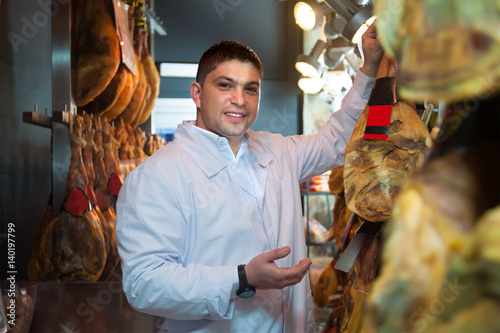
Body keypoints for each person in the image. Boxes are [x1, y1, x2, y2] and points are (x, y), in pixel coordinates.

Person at [116, 23, 383, 333]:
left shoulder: (278, 151)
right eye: (225, 85)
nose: (239, 100)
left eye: (250, 88)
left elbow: (336, 140)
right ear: (197, 93)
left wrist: (370, 66)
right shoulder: (156, 177)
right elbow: (144, 285)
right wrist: (241, 278)